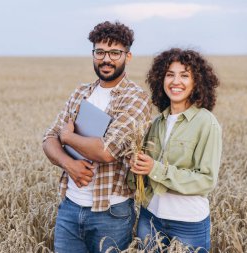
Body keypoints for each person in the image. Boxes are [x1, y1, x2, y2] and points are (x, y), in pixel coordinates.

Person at [42, 21, 151, 253]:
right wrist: (68, 163)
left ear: (128, 56)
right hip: (70, 207)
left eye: (114, 53)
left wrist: (68, 137)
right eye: (100, 52)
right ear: (93, 54)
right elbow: (49, 138)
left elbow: (107, 151)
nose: (106, 59)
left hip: (110, 214)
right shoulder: (81, 92)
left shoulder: (136, 98)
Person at [130, 48, 222, 252]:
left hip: (188, 223)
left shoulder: (206, 123)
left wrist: (156, 168)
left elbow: (206, 179)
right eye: (170, 74)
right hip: (150, 217)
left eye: (184, 75)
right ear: (160, 80)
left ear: (197, 81)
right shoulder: (156, 123)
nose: (175, 81)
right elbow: (145, 174)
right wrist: (136, 168)